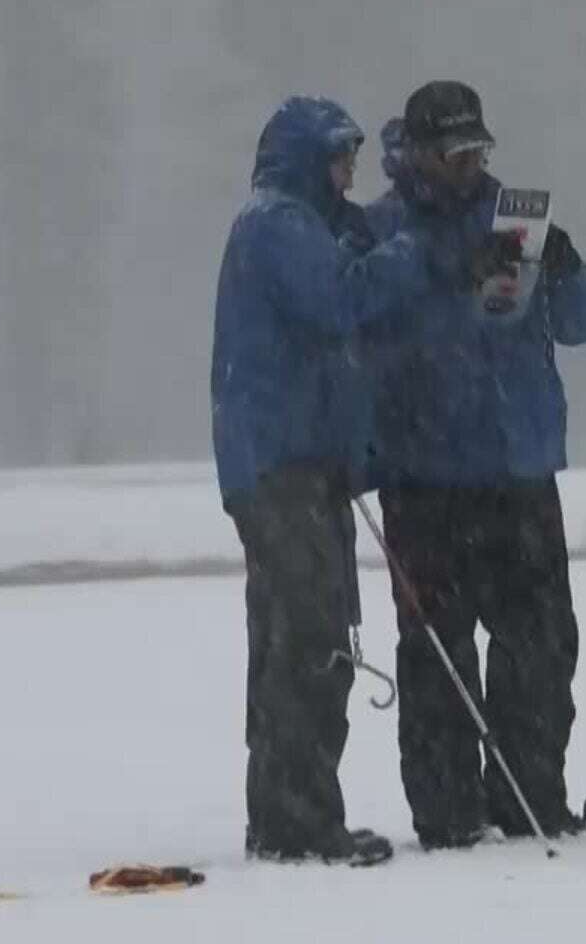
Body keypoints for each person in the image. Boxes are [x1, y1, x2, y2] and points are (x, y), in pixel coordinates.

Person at [364, 81, 586, 849]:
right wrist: (447, 285)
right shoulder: (384, 232)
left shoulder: (519, 221)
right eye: (455, 151)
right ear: (418, 152)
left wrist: (567, 268)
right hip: (426, 476)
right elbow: (369, 338)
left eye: (479, 149)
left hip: (518, 470)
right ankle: (447, 815)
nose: (470, 164)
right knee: (437, 649)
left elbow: (585, 322)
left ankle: (531, 799)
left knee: (540, 642)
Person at [212, 95, 452, 866]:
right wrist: (413, 252)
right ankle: (297, 820)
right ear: (307, 157)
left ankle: (286, 813)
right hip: (284, 464)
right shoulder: (278, 225)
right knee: (310, 637)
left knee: (293, 635)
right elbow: (341, 298)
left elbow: (351, 251)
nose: (349, 170)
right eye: (340, 156)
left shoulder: (299, 222)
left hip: (297, 462)